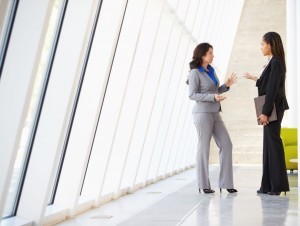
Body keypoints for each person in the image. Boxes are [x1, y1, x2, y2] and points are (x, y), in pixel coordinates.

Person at [187, 43, 237, 194]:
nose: (213, 55)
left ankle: (226, 183)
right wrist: (213, 97)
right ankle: (203, 185)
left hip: (215, 112)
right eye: (210, 52)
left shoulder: (211, 71)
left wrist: (226, 86)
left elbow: (215, 90)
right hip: (202, 114)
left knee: (227, 144)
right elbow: (192, 94)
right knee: (204, 148)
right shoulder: (195, 73)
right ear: (202, 55)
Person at [244, 31, 290, 195]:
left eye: (262, 44)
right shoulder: (273, 62)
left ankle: (277, 186)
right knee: (269, 146)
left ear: (270, 44)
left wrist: (265, 112)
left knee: (274, 145)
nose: (261, 48)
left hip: (273, 109)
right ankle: (268, 185)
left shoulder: (276, 62)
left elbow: (271, 90)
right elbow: (268, 83)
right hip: (273, 108)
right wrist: (255, 78)